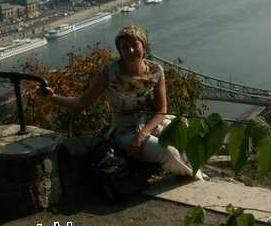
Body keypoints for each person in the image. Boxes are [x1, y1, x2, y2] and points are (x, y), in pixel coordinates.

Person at [42, 24, 205, 180]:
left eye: (135, 45)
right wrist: (53, 97)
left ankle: (195, 171)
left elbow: (162, 110)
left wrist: (142, 134)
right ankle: (195, 181)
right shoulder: (110, 72)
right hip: (124, 131)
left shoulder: (156, 71)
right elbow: (82, 103)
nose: (131, 50)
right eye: (125, 47)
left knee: (188, 134)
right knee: (168, 152)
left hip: (151, 125)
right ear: (120, 51)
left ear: (144, 46)